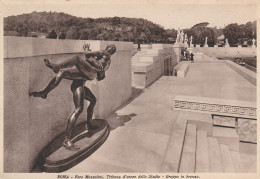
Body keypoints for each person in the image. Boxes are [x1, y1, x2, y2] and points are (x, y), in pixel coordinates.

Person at [29, 44, 116, 150]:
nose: (108, 49)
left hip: (89, 75)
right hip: (80, 80)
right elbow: (90, 61)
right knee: (79, 106)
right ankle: (44, 93)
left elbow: (98, 70)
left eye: (110, 48)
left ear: (110, 51)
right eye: (109, 47)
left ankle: (88, 124)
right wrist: (88, 54)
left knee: (91, 99)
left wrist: (87, 52)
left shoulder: (104, 56)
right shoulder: (99, 59)